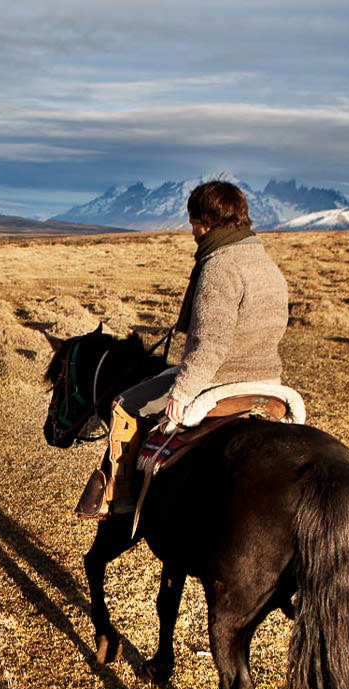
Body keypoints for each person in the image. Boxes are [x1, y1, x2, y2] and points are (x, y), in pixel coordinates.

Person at [85, 180, 289, 519]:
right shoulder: (267, 264)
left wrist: (183, 392)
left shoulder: (219, 266)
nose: (193, 230)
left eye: (194, 222)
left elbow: (211, 344)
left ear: (206, 222)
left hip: (220, 380)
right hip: (269, 378)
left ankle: (118, 497)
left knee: (125, 405)